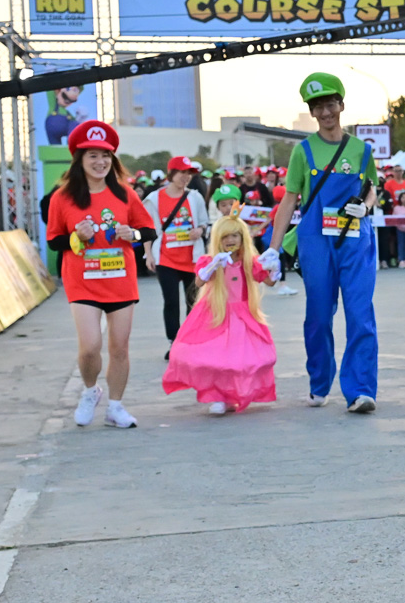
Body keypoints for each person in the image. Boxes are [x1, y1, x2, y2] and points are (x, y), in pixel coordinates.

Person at [263, 73, 379, 413]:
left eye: (330, 105)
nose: (325, 112)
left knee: (360, 315)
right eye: (318, 107)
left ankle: (360, 390)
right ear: (312, 113)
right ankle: (319, 382)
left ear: (341, 105)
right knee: (318, 316)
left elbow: (372, 187)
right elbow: (289, 200)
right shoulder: (302, 151)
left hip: (356, 241)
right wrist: (273, 250)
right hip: (316, 241)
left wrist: (366, 206)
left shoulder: (362, 150)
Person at [46, 120, 156, 430]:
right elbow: (54, 241)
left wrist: (133, 235)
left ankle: (116, 407)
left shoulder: (125, 194)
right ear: (79, 159)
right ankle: (90, 390)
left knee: (119, 348)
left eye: (106, 155)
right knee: (90, 347)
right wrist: (76, 237)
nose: (100, 162)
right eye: (92, 155)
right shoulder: (63, 197)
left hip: (120, 280)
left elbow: (148, 230)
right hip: (82, 281)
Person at [162, 214, 278, 415]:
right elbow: (199, 281)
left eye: (234, 235)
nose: (230, 240)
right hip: (216, 314)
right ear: (217, 239)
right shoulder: (210, 261)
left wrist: (274, 269)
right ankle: (217, 396)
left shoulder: (249, 262)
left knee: (239, 359)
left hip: (242, 316)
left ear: (242, 238)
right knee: (215, 358)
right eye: (225, 236)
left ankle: (232, 394)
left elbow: (269, 281)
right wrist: (212, 266)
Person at [145, 156, 210, 359]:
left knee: (193, 301)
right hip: (166, 259)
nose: (186, 177)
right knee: (171, 302)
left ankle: (190, 341)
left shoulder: (195, 197)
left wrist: (200, 230)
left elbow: (204, 222)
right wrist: (148, 254)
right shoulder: (154, 199)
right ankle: (174, 342)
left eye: (189, 173)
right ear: (171, 173)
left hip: (192, 258)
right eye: (182, 172)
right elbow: (148, 229)